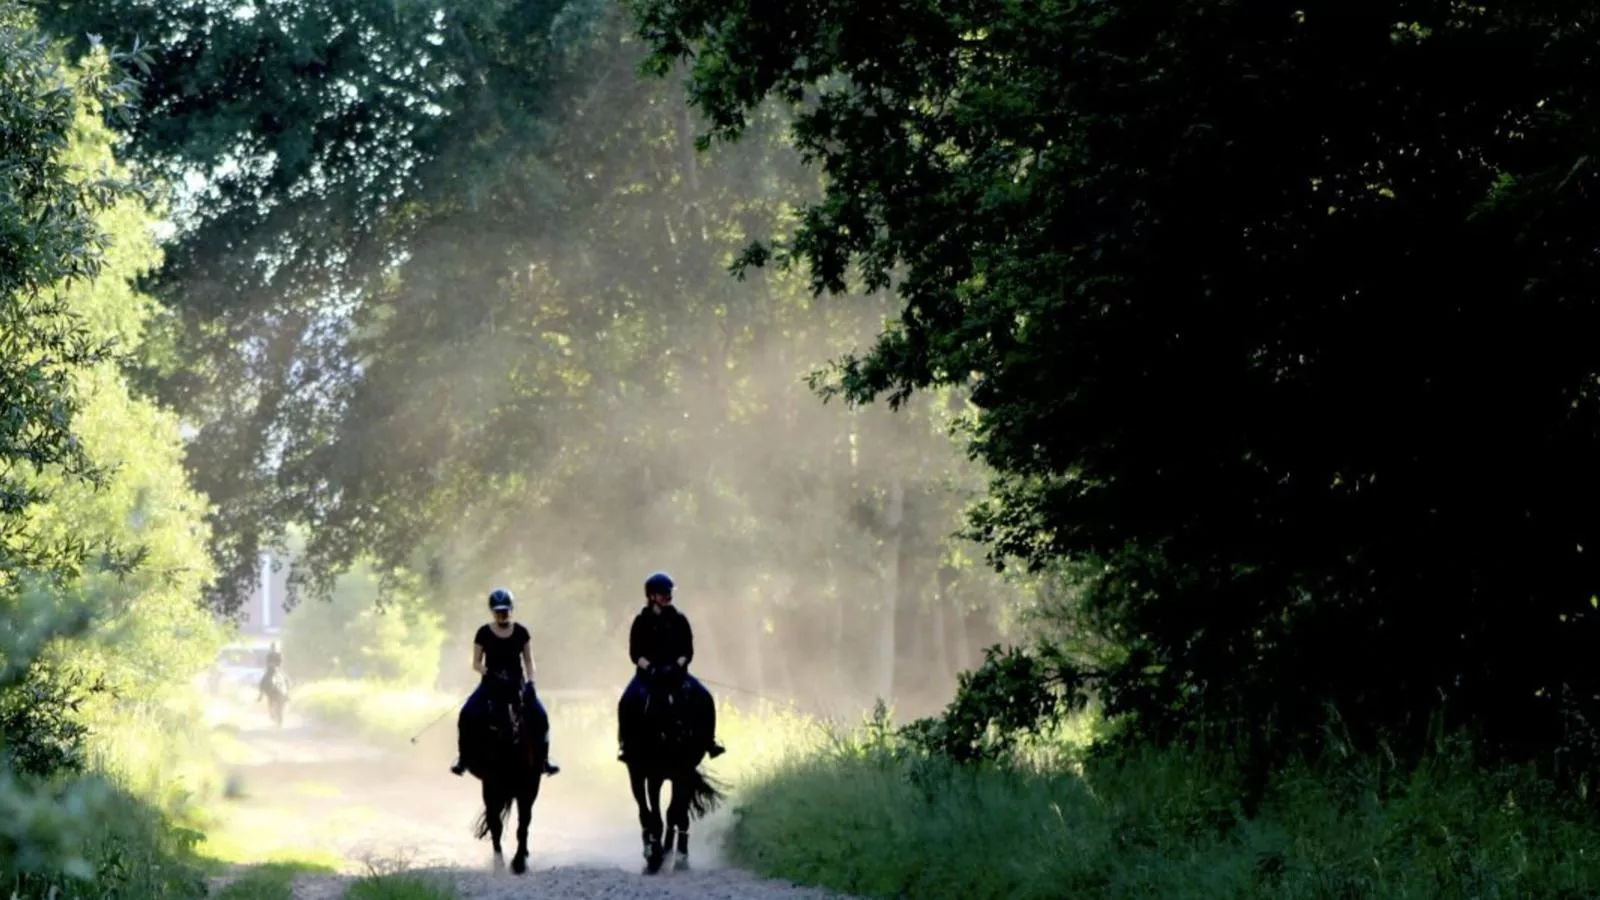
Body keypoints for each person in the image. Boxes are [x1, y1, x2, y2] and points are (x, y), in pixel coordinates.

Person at [451, 588, 561, 777]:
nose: (502, 615)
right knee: (466, 714)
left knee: (541, 716)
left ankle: (544, 760)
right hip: (490, 686)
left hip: (516, 686)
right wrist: (487, 672)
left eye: (505, 611)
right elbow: (476, 663)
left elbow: (528, 661)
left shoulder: (521, 632)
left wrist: (531, 683)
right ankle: (464, 759)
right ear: (492, 611)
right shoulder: (483, 633)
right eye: (498, 611)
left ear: (511, 609)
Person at [617, 571, 725, 763]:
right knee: (625, 702)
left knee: (705, 697)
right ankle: (626, 745)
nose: (668, 596)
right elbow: (635, 653)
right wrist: (650, 668)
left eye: (669, 592)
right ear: (651, 596)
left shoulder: (679, 619)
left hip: (676, 674)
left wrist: (676, 666)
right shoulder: (641, 621)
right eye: (663, 593)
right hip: (648, 676)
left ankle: (710, 741)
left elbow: (687, 650)